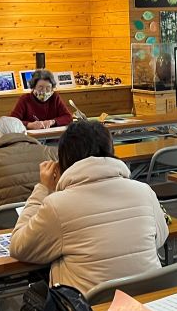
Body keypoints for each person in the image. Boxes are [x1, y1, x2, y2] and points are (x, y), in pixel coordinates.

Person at [9, 120, 168, 293]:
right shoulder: (144, 191)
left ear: (62, 161)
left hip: (89, 308)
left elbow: (19, 246)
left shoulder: (57, 205)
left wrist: (43, 188)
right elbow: (160, 238)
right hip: (148, 301)